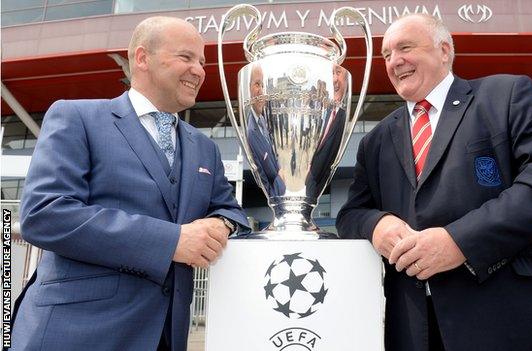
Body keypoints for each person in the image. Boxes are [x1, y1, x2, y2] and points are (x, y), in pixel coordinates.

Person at [336, 14, 532, 351]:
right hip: (421, 330)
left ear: (444, 50)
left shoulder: (506, 94)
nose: (394, 61)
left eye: (405, 47)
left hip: (519, 318)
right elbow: (351, 214)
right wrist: (377, 225)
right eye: (387, 54)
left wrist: (459, 241)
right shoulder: (375, 140)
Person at [10, 16, 249, 350]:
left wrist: (220, 225)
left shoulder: (204, 147)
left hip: (165, 336)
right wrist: (172, 241)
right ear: (142, 58)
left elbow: (230, 209)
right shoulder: (77, 117)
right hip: (76, 333)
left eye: (202, 62)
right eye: (186, 57)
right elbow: (45, 214)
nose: (199, 70)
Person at [306, 64, 348, 198]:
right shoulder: (321, 112)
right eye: (331, 73)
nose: (334, 79)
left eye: (338, 72)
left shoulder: (343, 116)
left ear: (347, 79)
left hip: (316, 189)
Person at [246, 64, 285, 198]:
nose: (261, 91)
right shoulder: (251, 133)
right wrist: (280, 181)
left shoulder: (263, 120)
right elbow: (263, 181)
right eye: (257, 84)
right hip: (277, 197)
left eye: (263, 85)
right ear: (247, 88)